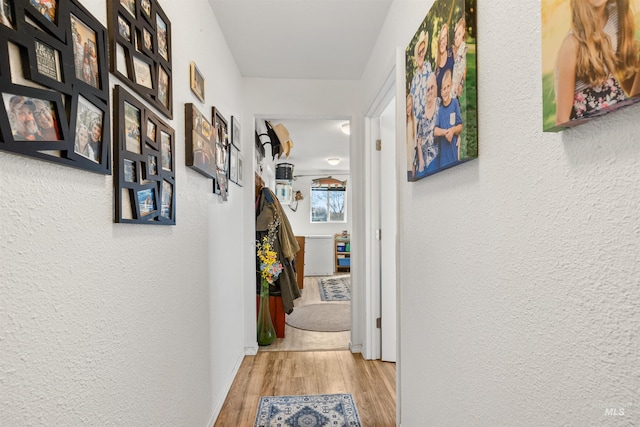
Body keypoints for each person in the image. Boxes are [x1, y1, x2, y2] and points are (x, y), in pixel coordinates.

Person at [555, 0, 640, 125]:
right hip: (591, 126)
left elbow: (625, 78)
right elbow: (561, 120)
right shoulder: (572, 45)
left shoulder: (617, 17)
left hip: (618, 116)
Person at [434, 70, 463, 169]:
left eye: (447, 87)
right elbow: (435, 131)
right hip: (443, 160)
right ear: (441, 92)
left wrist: (452, 130)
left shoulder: (454, 103)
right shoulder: (440, 110)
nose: (445, 91)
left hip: (453, 155)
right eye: (443, 89)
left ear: (450, 87)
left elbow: (460, 126)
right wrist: (446, 132)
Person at [415, 73, 441, 178]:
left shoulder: (439, 103)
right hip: (423, 158)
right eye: (427, 89)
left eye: (432, 88)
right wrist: (421, 160)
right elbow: (419, 141)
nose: (430, 91)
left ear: (435, 88)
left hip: (435, 155)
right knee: (419, 176)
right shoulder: (422, 112)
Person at [409, 30, 433, 122]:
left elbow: (430, 92)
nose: (421, 54)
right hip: (416, 122)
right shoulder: (414, 79)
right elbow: (411, 103)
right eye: (419, 52)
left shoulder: (428, 67)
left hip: (426, 119)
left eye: (422, 50)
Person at [435, 23, 454, 100]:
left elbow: (463, 67)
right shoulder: (436, 70)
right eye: (441, 39)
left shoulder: (452, 53)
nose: (443, 42)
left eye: (445, 37)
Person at [451, 17, 467, 100]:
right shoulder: (458, 49)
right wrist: (454, 54)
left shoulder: (463, 47)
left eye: (459, 34)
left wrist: (458, 84)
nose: (457, 38)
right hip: (454, 80)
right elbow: (456, 64)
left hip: (456, 81)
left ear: (464, 32)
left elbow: (461, 69)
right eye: (456, 36)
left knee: (454, 97)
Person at [406, 93, 418, 180]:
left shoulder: (415, 122)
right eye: (407, 106)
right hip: (404, 165)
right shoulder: (404, 125)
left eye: (410, 105)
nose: (408, 108)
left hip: (411, 164)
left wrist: (414, 164)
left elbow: (416, 146)